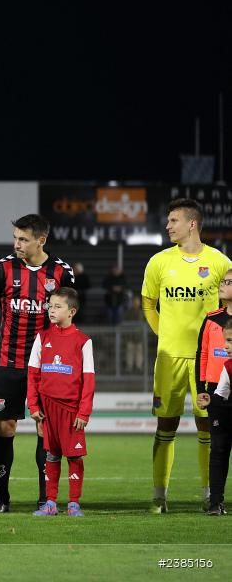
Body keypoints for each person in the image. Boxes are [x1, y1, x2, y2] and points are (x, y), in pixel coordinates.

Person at [142, 198, 232, 513]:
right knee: (165, 424)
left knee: (208, 425)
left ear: (192, 223)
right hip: (169, 358)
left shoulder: (220, 262)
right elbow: (148, 304)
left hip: (208, 360)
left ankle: (210, 495)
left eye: (174, 221)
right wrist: (163, 335)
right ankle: (158, 497)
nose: (168, 226)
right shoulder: (158, 262)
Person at [0, 214, 74, 513]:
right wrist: (7, 335)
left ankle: (45, 497)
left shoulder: (61, 272)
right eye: (15, 238)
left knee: (44, 429)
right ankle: (2, 498)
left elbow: (67, 313)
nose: (17, 244)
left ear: (41, 240)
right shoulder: (1, 269)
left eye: (23, 239)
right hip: (9, 361)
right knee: (5, 427)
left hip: (47, 365)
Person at [26, 288, 95, 517]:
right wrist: (34, 406)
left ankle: (74, 503)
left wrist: (84, 413)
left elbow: (88, 380)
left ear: (71, 311)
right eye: (50, 306)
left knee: (74, 456)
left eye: (57, 307)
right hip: (47, 409)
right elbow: (33, 374)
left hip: (71, 410)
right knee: (51, 455)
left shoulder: (83, 341)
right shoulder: (42, 337)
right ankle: (50, 503)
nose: (51, 310)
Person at [196, 320, 232, 515]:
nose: (225, 346)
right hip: (225, 412)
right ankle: (215, 504)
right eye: (226, 340)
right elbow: (220, 396)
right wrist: (209, 400)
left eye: (230, 341)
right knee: (218, 451)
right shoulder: (227, 367)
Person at [196, 268, 232, 400]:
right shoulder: (211, 319)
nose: (222, 285)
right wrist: (200, 389)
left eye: (228, 282)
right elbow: (202, 354)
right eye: (222, 282)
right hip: (213, 388)